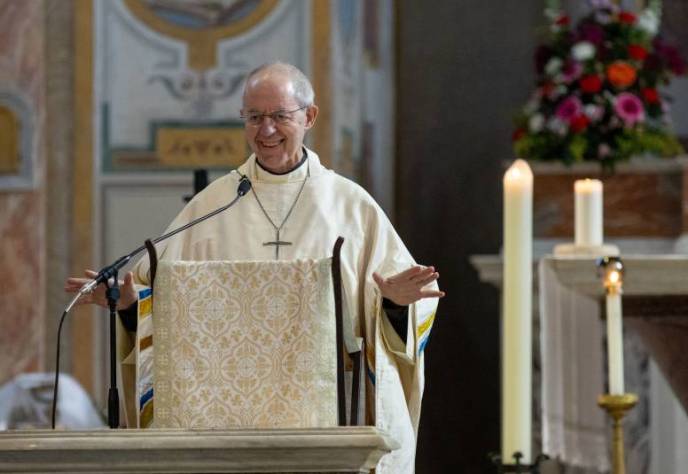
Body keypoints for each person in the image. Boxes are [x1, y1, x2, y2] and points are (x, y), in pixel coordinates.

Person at [65, 62, 443, 474]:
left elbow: (392, 309)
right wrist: (129, 304)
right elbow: (157, 300)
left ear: (309, 117)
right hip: (226, 426)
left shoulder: (350, 207)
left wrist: (393, 305)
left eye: (280, 116)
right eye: (254, 117)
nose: (266, 131)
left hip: (327, 421)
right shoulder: (213, 205)